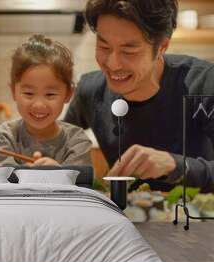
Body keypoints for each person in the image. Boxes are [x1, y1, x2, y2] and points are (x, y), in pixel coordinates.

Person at [64, 0, 214, 191]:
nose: (113, 64)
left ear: (162, 47)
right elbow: (61, 148)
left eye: (129, 51)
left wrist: (174, 165)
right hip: (125, 217)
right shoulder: (90, 90)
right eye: (104, 47)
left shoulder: (204, 83)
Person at [0, 35, 92, 166]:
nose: (39, 104)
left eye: (50, 94)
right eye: (28, 93)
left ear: (68, 94)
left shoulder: (77, 140)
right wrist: (24, 174)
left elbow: (81, 182)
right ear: (13, 92)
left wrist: (59, 173)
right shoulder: (6, 136)